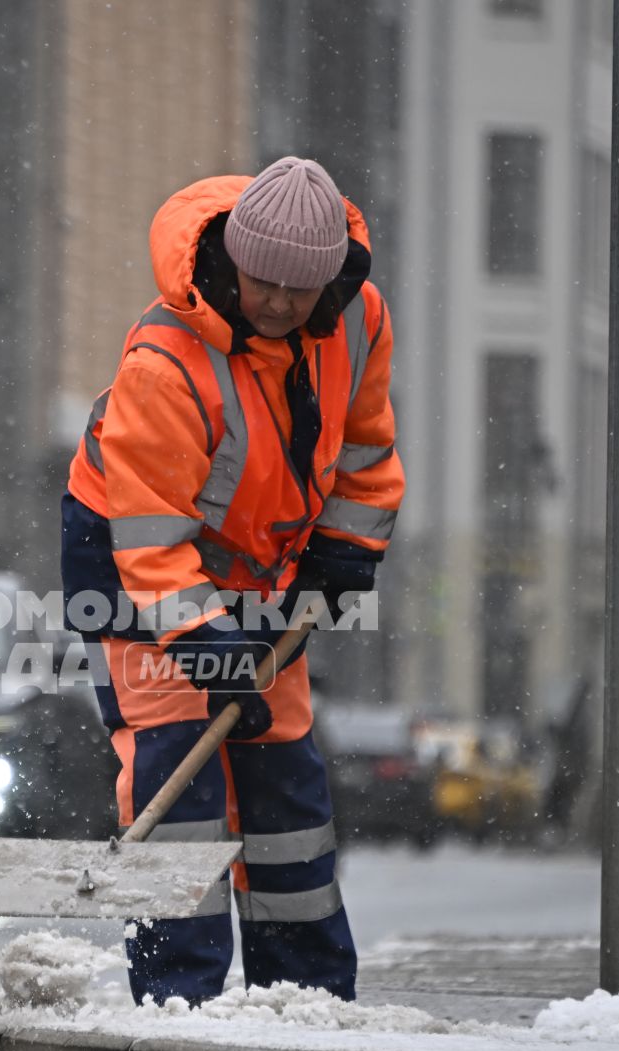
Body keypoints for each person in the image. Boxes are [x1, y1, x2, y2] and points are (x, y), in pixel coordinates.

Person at [60, 156, 403, 1006]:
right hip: (133, 564)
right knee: (180, 779)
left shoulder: (357, 320)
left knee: (284, 782)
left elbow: (366, 448)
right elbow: (153, 539)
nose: (282, 305)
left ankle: (309, 997)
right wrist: (209, 649)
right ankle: (182, 1001)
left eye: (301, 288)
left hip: (264, 568)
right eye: (263, 284)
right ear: (233, 260)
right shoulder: (165, 363)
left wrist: (343, 553)